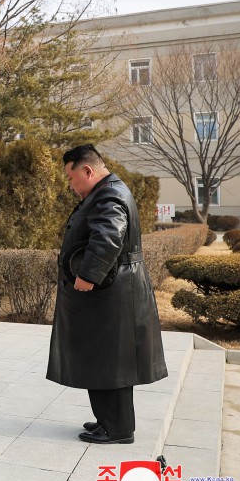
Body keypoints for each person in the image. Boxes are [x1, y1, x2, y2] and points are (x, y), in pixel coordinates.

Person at [47, 144, 168, 444]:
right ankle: (106, 420)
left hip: (112, 293)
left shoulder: (110, 195)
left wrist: (88, 274)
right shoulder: (105, 191)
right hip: (110, 293)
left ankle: (117, 428)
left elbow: (109, 235)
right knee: (101, 358)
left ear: (87, 171)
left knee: (112, 361)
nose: (70, 184)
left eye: (71, 177)